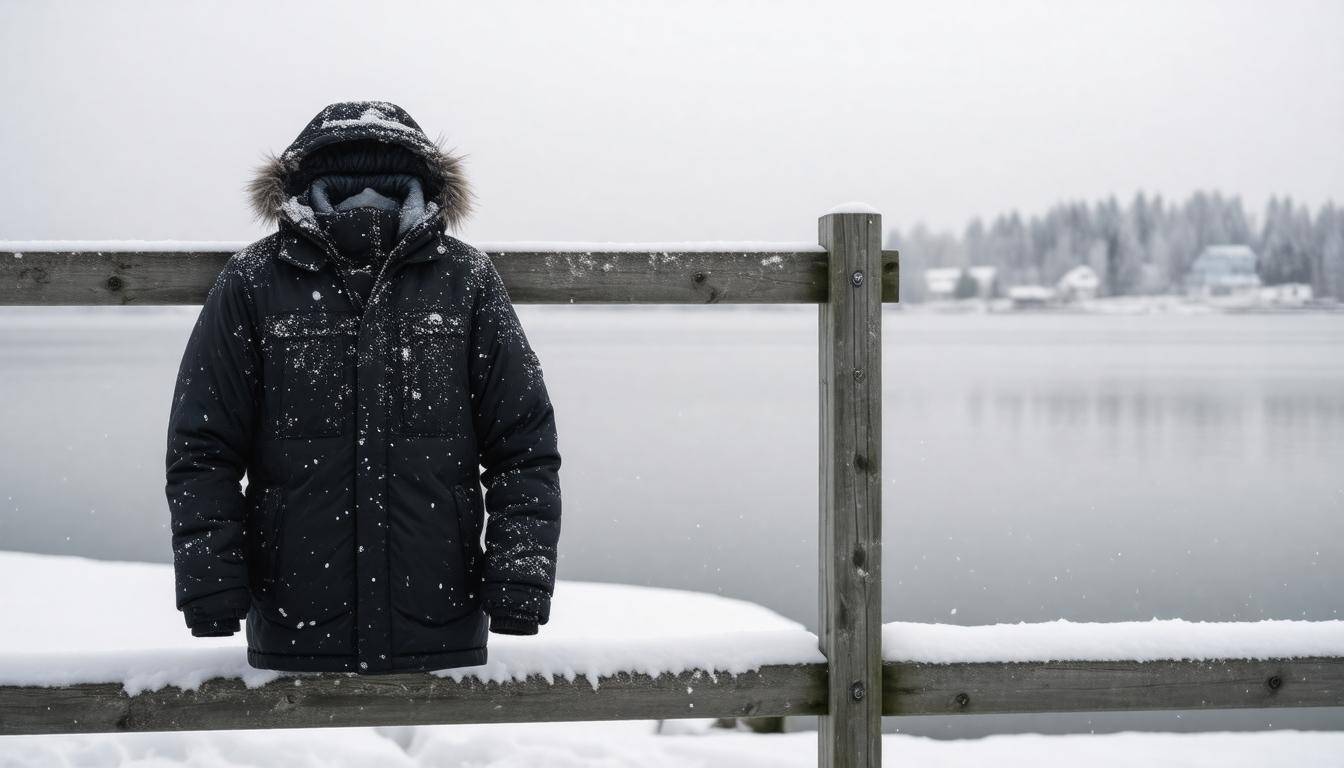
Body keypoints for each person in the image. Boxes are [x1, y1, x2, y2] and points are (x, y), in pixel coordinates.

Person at [164, 101, 561, 674]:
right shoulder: (256, 281)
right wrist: (211, 588)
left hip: (440, 617)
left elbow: (522, 445)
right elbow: (203, 448)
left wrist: (518, 578)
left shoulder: (465, 280)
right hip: (293, 618)